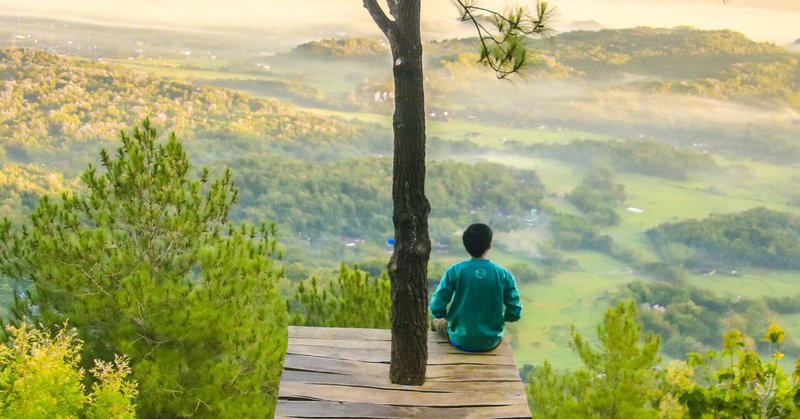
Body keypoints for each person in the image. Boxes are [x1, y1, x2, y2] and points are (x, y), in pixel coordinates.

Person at [429, 223, 522, 352]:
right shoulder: (504, 275)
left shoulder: (455, 271)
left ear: (466, 245)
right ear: (489, 245)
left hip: (458, 339)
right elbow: (515, 312)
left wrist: (448, 319)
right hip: (491, 341)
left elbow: (436, 307)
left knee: (435, 321)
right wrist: (500, 318)